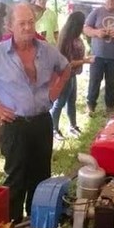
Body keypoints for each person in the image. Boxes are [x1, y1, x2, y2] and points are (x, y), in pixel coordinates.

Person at [0, 2, 71, 223]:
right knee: (16, 179)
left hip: (41, 123)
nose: (28, 28)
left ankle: (37, 227)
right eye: (22, 23)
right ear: (10, 26)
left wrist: (55, 91)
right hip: (14, 125)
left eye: (30, 22)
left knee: (41, 179)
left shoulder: (47, 51)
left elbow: (66, 68)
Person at [50, 11, 94, 141]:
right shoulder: (67, 40)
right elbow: (68, 63)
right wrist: (85, 61)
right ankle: (54, 129)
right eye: (82, 24)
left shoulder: (76, 37)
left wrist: (84, 58)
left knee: (71, 101)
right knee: (60, 102)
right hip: (65, 75)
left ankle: (73, 126)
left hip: (72, 75)